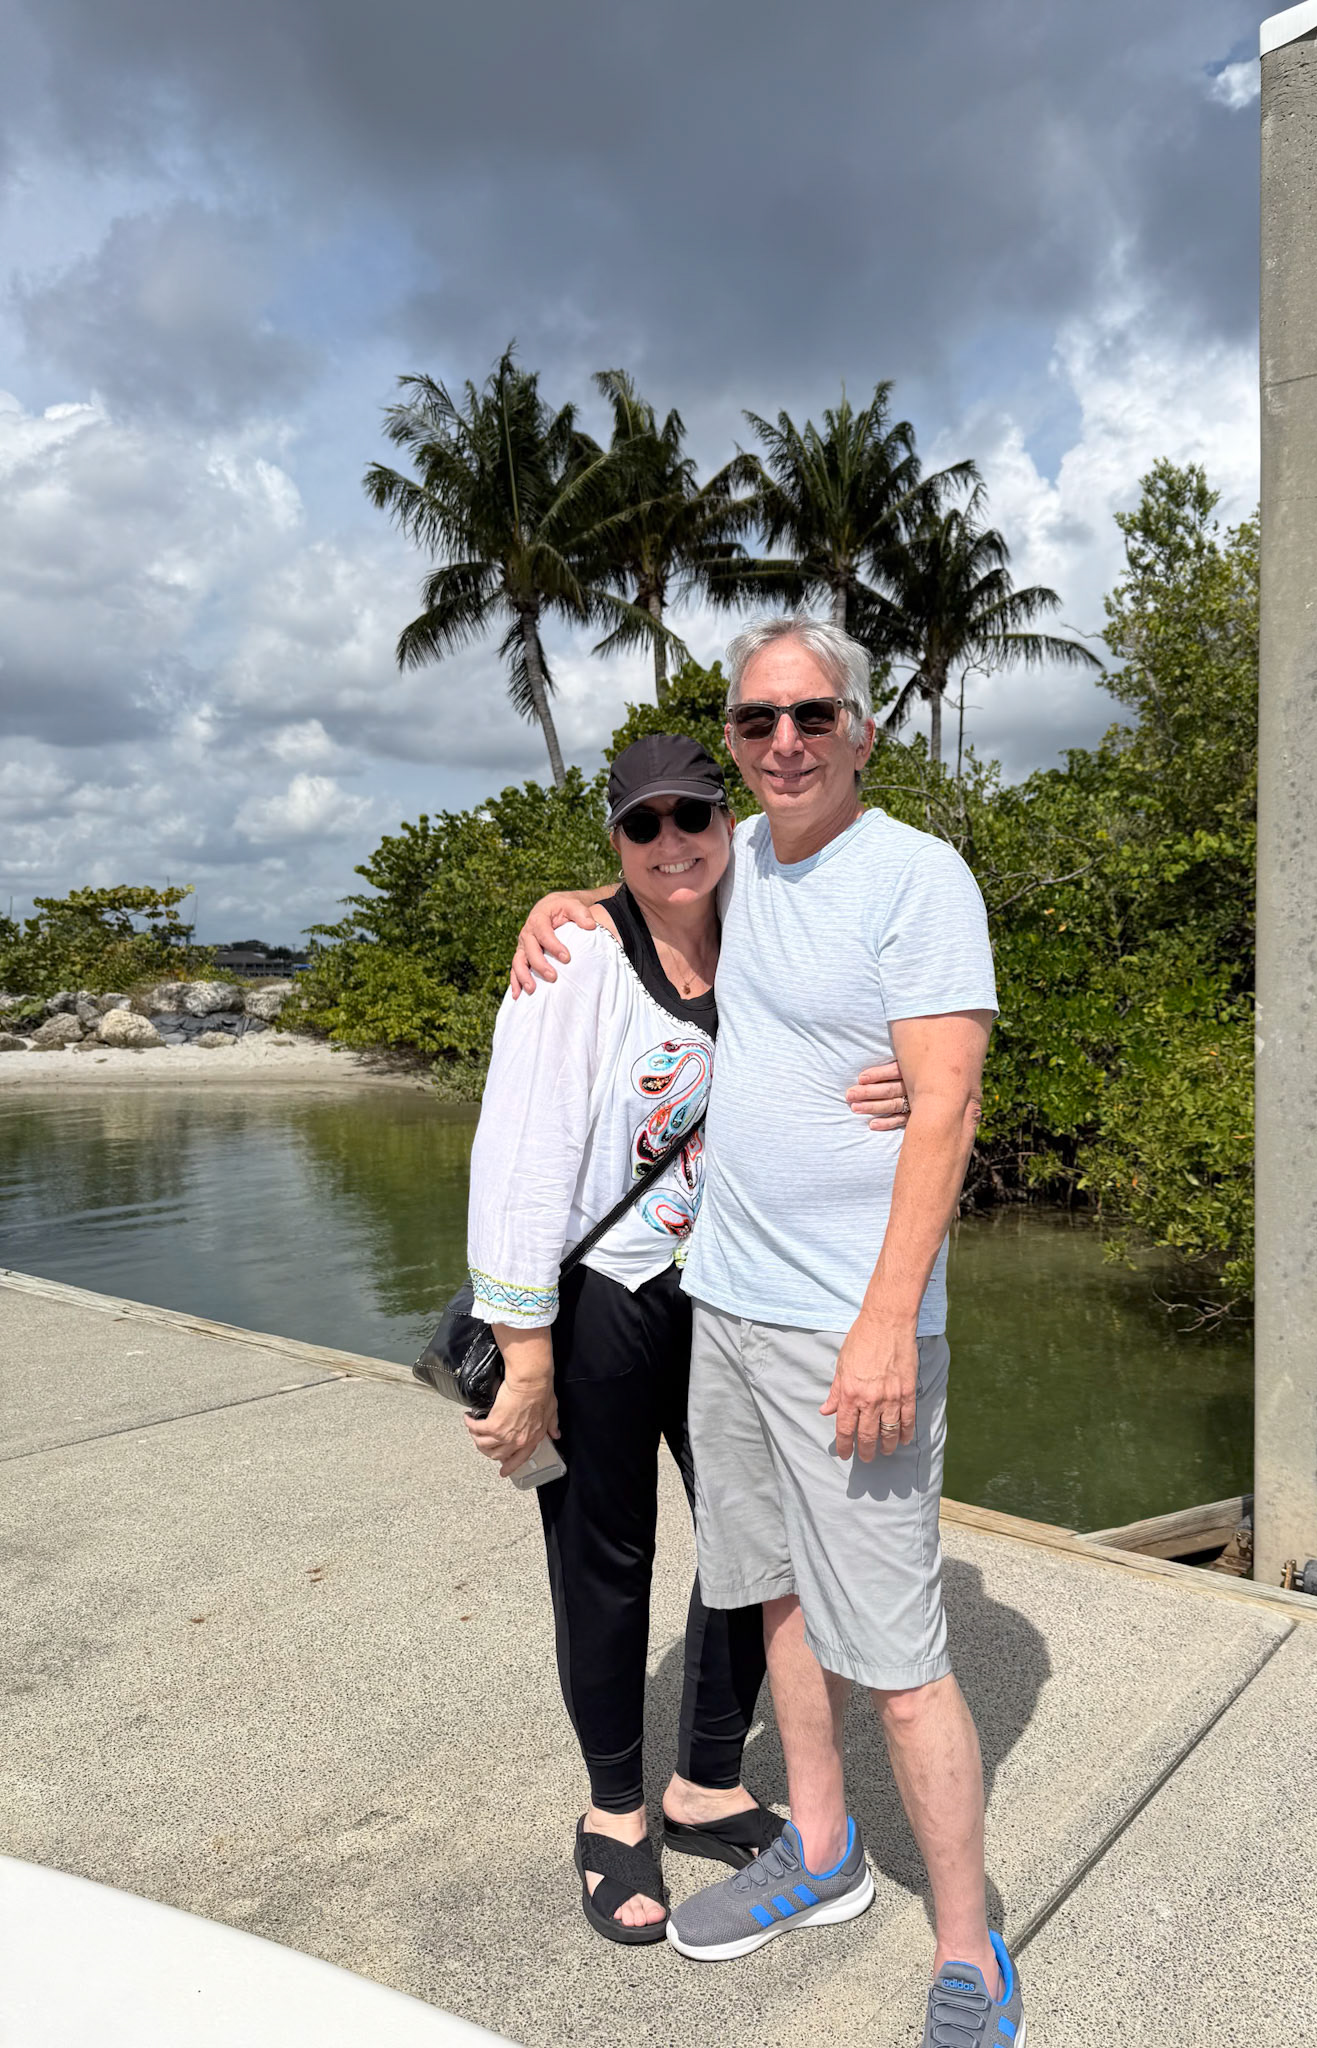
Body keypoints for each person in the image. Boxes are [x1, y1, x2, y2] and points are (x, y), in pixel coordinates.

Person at [509, 618, 1023, 2045]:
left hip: (846, 1328)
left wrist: (880, 1331)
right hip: (722, 1311)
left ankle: (971, 1950)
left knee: (904, 1660)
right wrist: (564, 898)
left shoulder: (917, 877)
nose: (784, 739)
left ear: (861, 728)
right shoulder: (747, 876)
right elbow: (657, 892)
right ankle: (819, 1848)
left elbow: (951, 1110)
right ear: (735, 749)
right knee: (777, 1601)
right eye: (756, 721)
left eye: (811, 715)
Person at [465, 730, 911, 1948]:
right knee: (605, 1558)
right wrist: (528, 1353)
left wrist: (910, 1085)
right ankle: (615, 1811)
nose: (674, 842)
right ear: (614, 836)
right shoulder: (578, 956)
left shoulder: (773, 927)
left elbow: (865, 1040)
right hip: (605, 1297)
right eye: (644, 823)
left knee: (752, 1545)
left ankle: (708, 1776)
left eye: (693, 816)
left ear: (731, 821)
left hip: (736, 1295)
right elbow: (521, 1155)